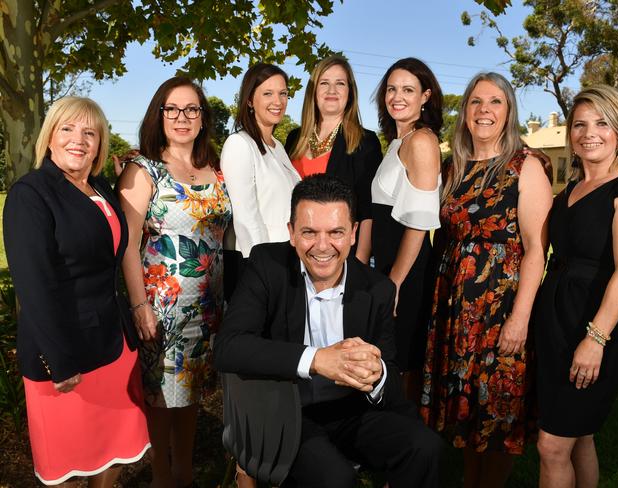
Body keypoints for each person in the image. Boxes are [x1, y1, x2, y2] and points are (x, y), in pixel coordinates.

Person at [214, 174, 445, 488]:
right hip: (285, 411)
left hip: (351, 411)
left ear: (353, 234)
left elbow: (388, 373)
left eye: (336, 232)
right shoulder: (267, 265)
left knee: (425, 447)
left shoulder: (377, 288)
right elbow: (229, 347)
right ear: (291, 233)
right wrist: (317, 359)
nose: (322, 246)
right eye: (309, 232)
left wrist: (376, 374)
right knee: (336, 481)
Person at [3, 97, 149, 486]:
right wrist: (60, 360)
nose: (78, 140)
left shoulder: (99, 187)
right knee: (67, 469)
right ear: (49, 136)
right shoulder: (30, 194)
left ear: (101, 143)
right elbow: (34, 286)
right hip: (66, 355)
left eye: (90, 132)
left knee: (115, 455)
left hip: (113, 346)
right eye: (67, 129)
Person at [420, 72, 553, 487]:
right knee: (465, 414)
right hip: (456, 309)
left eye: (495, 102)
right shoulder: (453, 167)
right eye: (476, 102)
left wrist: (520, 317)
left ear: (509, 111)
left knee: (496, 413)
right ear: (465, 112)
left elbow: (536, 249)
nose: (484, 110)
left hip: (501, 309)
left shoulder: (525, 166)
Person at [117, 76, 231, 487]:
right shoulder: (142, 168)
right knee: (161, 398)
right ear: (159, 115)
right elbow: (126, 244)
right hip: (161, 307)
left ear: (203, 118)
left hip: (208, 306)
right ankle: (162, 478)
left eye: (192, 109)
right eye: (173, 109)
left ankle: (183, 470)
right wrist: (138, 304)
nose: (182, 117)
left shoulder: (214, 167)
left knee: (192, 395)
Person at [534, 85, 618, 488]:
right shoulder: (568, 191)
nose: (589, 133)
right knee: (579, 436)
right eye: (580, 124)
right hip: (555, 323)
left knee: (551, 446)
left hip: (595, 323)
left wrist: (596, 338)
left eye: (601, 123)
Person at [371, 57, 443, 401]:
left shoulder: (422, 142)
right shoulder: (398, 142)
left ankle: (410, 446)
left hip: (406, 271)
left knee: (402, 367)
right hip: (387, 266)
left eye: (408, 90)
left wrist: (395, 282)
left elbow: (418, 222)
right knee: (388, 364)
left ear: (425, 96)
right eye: (392, 89)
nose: (397, 96)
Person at [285, 55, 383, 263]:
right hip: (292, 254)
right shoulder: (294, 139)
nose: (332, 90)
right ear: (313, 91)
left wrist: (360, 262)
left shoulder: (365, 142)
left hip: (338, 258)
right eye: (324, 83)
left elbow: (368, 211)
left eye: (340, 83)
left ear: (350, 92)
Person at [221, 63, 301, 260]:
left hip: (289, 256)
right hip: (261, 262)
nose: (278, 101)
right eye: (268, 94)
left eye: (283, 94)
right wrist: (263, 265)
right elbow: (246, 217)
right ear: (249, 100)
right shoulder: (239, 144)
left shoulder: (278, 147)